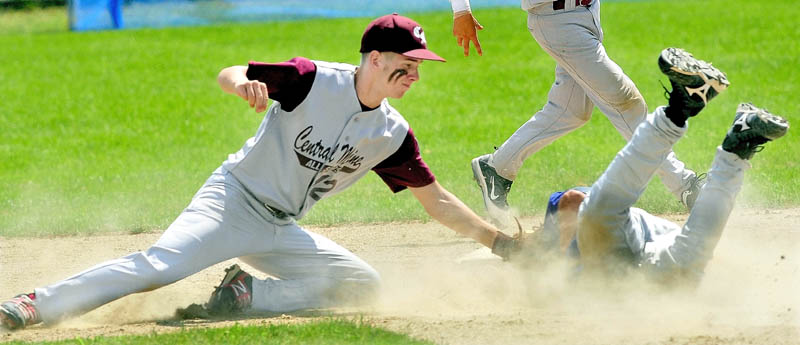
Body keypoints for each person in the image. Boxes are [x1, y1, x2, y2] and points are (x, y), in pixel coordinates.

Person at [0, 13, 510, 330]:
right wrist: (241, 85)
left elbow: (436, 198)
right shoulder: (314, 80)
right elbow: (231, 71)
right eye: (408, 62)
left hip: (280, 227)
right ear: (374, 58)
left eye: (420, 64)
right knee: (159, 268)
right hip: (233, 199)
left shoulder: (391, 133)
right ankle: (33, 305)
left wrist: (498, 243)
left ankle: (246, 293)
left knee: (363, 284)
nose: (416, 72)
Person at [492, 48, 789, 285]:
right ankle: (739, 145)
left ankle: (680, 108)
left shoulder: (557, 245)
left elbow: (571, 200)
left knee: (600, 214)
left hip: (612, 245)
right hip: (649, 263)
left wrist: (564, 264)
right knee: (687, 265)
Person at [449, 0, 722, 226]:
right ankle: (686, 187)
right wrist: (461, 9)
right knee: (627, 105)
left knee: (570, 110)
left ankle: (496, 168)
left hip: (586, 14)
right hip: (557, 21)